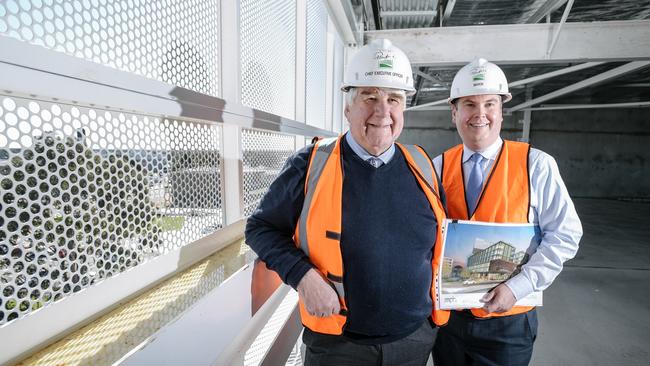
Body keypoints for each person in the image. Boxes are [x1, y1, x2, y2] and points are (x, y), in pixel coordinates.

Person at [245, 39, 448, 365]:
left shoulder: (422, 165)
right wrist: (303, 277)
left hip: (413, 340)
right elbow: (260, 228)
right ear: (348, 107)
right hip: (340, 346)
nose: (383, 111)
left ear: (403, 109)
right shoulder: (311, 165)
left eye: (393, 99)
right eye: (370, 97)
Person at [431, 58, 583, 365]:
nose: (480, 114)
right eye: (469, 104)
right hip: (448, 322)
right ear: (454, 112)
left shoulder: (536, 165)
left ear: (501, 111)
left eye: (490, 104)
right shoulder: (436, 167)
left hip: (508, 325)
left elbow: (565, 235)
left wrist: (517, 287)